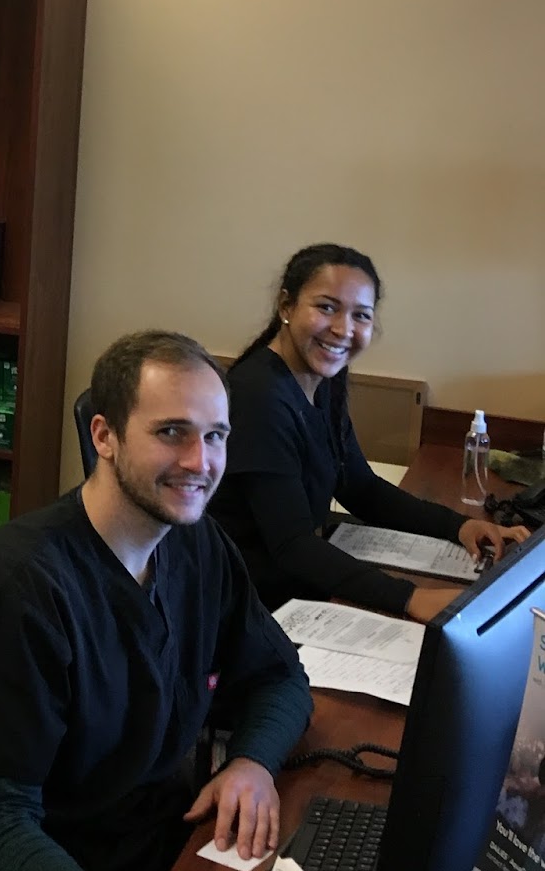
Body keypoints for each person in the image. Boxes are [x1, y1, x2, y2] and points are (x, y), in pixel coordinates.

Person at [0, 329, 312, 871]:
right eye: (171, 432)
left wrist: (252, 762)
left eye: (215, 436)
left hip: (155, 851)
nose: (200, 462)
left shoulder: (195, 543)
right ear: (104, 436)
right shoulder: (16, 590)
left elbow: (280, 676)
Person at [216, 244, 525, 622]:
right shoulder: (258, 395)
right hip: (248, 601)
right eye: (326, 307)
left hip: (294, 579)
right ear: (286, 306)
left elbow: (361, 488)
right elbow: (292, 545)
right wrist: (411, 598)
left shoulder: (321, 376)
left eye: (360, 315)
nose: (343, 329)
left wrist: (459, 526)